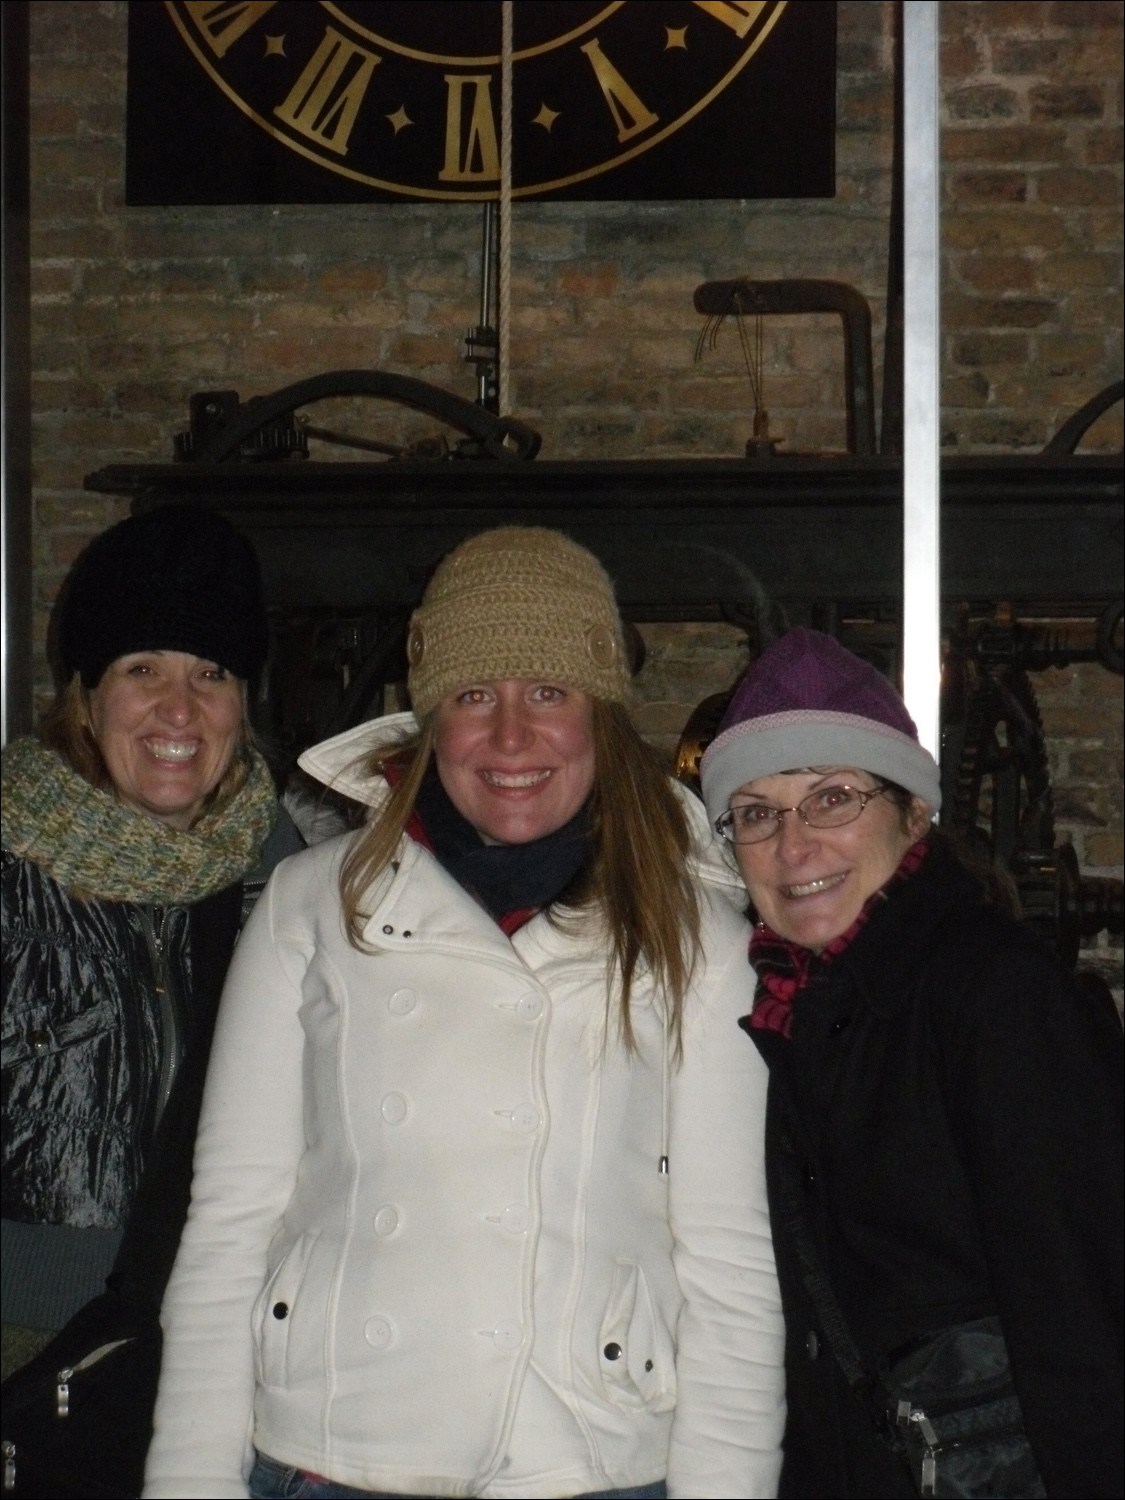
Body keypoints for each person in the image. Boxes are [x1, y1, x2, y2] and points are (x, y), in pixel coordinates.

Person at [143, 527, 785, 1500]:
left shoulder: (699, 936)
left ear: (601, 718)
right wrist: (189, 1482)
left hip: (588, 1461)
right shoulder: (311, 906)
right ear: (429, 716)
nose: (512, 737)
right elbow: (230, 1224)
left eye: (549, 693)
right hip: (336, 1454)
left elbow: (730, 1270)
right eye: (475, 696)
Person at [699, 626, 1123, 1499]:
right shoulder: (789, 1002)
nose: (794, 845)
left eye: (832, 798)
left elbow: (1082, 1308)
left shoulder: (994, 996)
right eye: (756, 812)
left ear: (913, 810)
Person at [1, 503, 296, 1495]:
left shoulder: (291, 881)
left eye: (210, 674)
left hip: (234, 1347)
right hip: (28, 1348)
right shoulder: (6, 868)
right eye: (143, 670)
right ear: (83, 696)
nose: (181, 710)